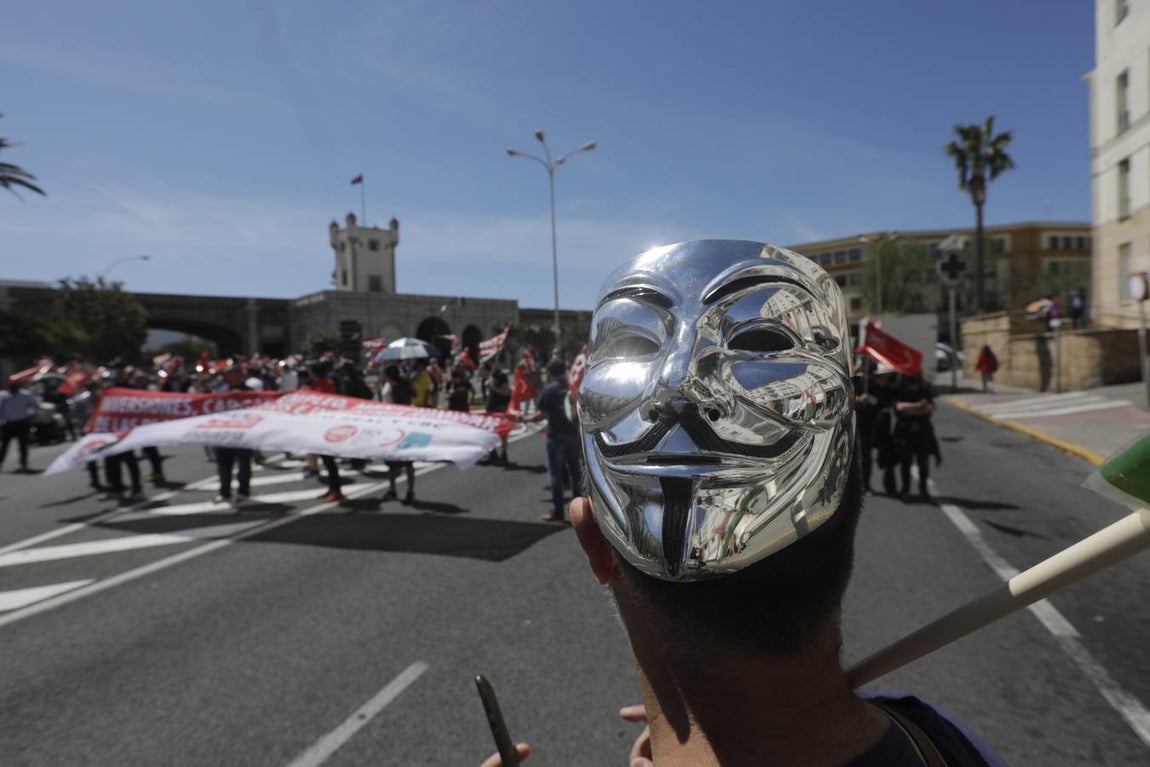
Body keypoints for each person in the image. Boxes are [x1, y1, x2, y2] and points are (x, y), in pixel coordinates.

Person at [483, 240, 1006, 767]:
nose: (681, 385)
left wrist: (680, 740)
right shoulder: (953, 744)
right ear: (853, 503)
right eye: (641, 340)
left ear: (592, 541)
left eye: (760, 337)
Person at [519, 360, 582, 522]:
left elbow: (542, 414)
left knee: (556, 475)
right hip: (573, 434)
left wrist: (525, 419)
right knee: (576, 473)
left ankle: (558, 511)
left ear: (550, 373)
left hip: (555, 435)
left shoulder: (549, 390)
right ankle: (579, 509)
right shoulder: (573, 386)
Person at [894, 373, 938, 502]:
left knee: (923, 464)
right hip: (905, 433)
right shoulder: (900, 391)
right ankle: (905, 490)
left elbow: (930, 408)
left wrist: (911, 409)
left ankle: (923, 491)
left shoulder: (924, 392)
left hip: (922, 433)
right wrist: (919, 406)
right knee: (905, 464)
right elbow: (899, 407)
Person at [381, 364, 416, 503]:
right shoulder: (403, 385)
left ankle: (394, 489)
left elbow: (394, 407)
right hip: (406, 426)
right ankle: (409, 490)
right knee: (407, 463)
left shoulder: (396, 388)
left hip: (396, 426)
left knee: (395, 462)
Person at [0, 377, 39, 472]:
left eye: (15, 386)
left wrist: (32, 416)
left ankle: (22, 464)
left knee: (23, 445)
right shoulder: (3, 396)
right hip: (8, 424)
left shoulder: (26, 395)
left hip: (22, 423)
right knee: (4, 446)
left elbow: (35, 406)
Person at [482, 364, 511, 465]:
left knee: (502, 431)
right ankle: (492, 453)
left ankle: (504, 454)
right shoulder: (489, 377)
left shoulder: (502, 376)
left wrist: (492, 387)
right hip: (491, 406)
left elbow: (506, 392)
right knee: (489, 430)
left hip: (501, 406)